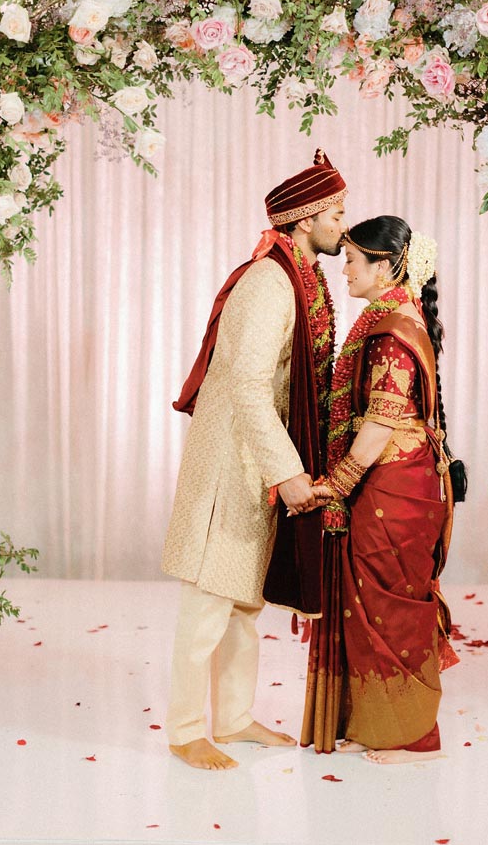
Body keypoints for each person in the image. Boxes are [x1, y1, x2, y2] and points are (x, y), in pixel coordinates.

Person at [162, 149, 348, 770]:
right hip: (235, 462)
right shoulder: (270, 283)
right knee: (213, 596)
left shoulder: (301, 275)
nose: (343, 226)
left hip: (259, 457)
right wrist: (288, 472)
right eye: (335, 214)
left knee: (244, 598)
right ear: (304, 220)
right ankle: (187, 729)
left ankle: (235, 718)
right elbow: (244, 384)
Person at [301, 215, 458, 764]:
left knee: (391, 606)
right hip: (396, 481)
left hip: (394, 484)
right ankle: (380, 722)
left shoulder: (392, 330)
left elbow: (379, 426)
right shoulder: (387, 316)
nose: (344, 268)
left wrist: (334, 486)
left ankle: (416, 739)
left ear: (387, 265)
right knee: (372, 601)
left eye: (353, 259)